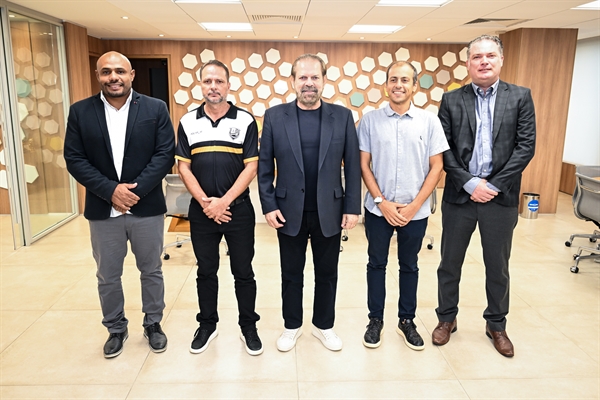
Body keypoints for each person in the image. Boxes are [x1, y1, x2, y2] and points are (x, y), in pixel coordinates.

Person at [64, 51, 175, 358]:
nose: (113, 77)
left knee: (151, 270)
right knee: (107, 274)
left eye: (119, 71)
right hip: (103, 210)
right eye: (106, 72)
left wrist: (132, 192)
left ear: (131, 75)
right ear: (98, 75)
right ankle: (115, 327)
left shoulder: (155, 108)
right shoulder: (80, 111)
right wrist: (111, 190)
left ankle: (153, 324)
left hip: (146, 207)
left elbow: (165, 154)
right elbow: (74, 158)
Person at [434, 35, 536, 357]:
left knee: (498, 265)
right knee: (450, 263)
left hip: (500, 198)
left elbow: (525, 147)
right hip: (459, 198)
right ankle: (446, 319)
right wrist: (469, 183)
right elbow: (443, 148)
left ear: (501, 60)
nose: (484, 62)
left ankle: (496, 324)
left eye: (490, 55)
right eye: (477, 57)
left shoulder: (520, 97)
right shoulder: (451, 100)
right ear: (468, 63)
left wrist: (491, 185)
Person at [258, 54, 361, 352]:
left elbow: (352, 165)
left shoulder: (341, 117)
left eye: (315, 77)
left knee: (327, 273)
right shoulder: (275, 116)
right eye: (302, 77)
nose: (309, 83)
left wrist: (352, 206)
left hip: (329, 209)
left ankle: (323, 325)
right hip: (288, 211)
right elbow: (264, 168)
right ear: (292, 81)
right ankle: (292, 326)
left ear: (324, 81)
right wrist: (268, 204)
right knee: (291, 274)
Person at [358, 61, 449, 351]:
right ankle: (375, 320)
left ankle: (406, 320)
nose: (399, 84)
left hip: (416, 212)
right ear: (386, 84)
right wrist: (381, 202)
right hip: (378, 211)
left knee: (409, 265)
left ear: (414, 86)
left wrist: (413, 207)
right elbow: (363, 164)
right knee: (377, 264)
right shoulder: (370, 121)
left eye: (405, 80)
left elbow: (437, 167)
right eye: (393, 79)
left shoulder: (429, 121)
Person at [176, 60, 262, 356]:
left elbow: (251, 167)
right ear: (200, 86)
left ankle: (248, 326)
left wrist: (223, 203)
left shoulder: (246, 120)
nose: (213, 87)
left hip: (237, 211)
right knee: (206, 271)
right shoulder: (188, 122)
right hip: (202, 212)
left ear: (228, 85)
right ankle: (207, 324)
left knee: (243, 271)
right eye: (207, 81)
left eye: (218, 81)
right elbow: (183, 167)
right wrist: (206, 203)